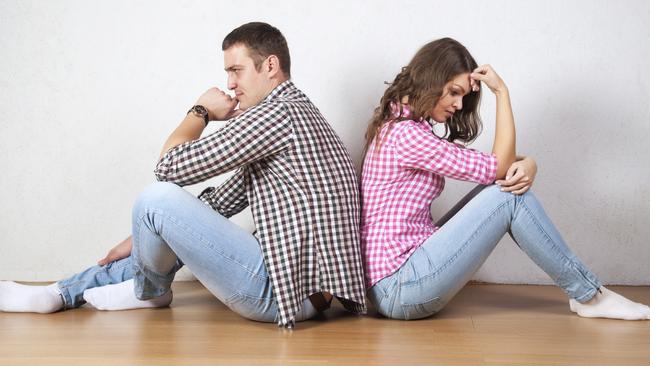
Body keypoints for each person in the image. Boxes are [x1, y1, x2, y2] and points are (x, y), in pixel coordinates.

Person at [0, 22, 366, 328]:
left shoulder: (277, 115)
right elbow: (217, 204)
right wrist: (144, 236)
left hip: (280, 294)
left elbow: (169, 167)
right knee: (157, 218)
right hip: (305, 295)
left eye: (236, 70)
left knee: (154, 198)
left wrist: (200, 111)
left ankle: (151, 292)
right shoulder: (295, 113)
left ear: (270, 65)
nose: (230, 83)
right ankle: (61, 293)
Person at [360, 37, 650, 321]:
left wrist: (529, 164)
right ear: (431, 79)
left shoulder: (407, 129)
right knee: (506, 195)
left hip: (399, 276)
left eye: (462, 96)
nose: (459, 105)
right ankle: (590, 296)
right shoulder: (406, 136)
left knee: (499, 188)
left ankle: (588, 295)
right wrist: (502, 93)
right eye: (453, 92)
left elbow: (495, 167)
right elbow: (499, 166)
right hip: (399, 287)